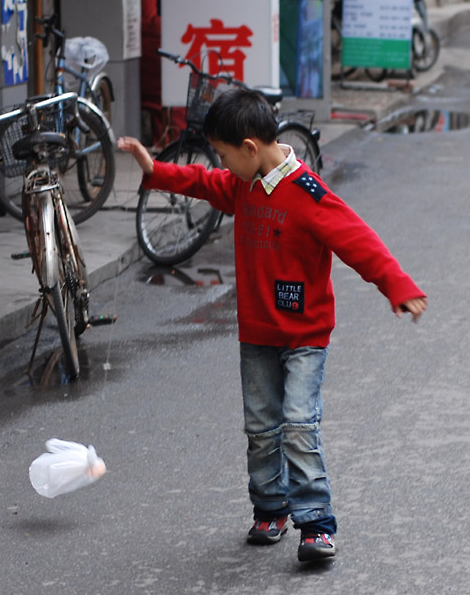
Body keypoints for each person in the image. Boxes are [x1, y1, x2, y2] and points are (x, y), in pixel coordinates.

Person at [118, 88, 427, 562]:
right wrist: (155, 171)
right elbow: (204, 182)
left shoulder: (308, 194)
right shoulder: (243, 183)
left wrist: (398, 285)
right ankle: (270, 508)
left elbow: (358, 241)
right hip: (258, 333)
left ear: (249, 148)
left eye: (224, 154)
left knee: (299, 425)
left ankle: (315, 524)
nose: (221, 164)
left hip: (306, 335)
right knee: (262, 427)